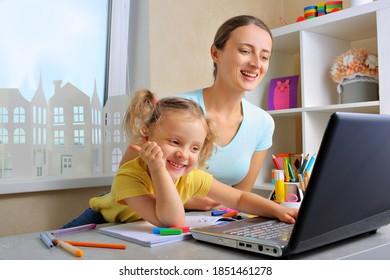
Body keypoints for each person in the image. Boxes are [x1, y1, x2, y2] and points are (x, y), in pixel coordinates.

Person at [62, 89, 297, 228]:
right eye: (174, 142)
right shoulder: (129, 176)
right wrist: (158, 170)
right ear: (147, 134)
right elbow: (173, 221)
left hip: (136, 227)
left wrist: (277, 210)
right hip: (100, 222)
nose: (183, 154)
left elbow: (240, 199)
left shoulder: (192, 177)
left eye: (194, 148)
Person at [120, 15, 275, 211]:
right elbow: (126, 176)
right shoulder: (175, 110)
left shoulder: (263, 123)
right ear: (215, 53)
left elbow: (240, 197)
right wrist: (187, 201)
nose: (256, 63)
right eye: (245, 51)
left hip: (207, 224)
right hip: (135, 218)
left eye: (264, 57)